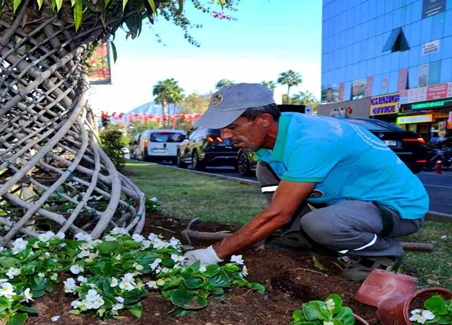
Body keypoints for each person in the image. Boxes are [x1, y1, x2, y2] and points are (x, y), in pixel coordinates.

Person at [183, 83, 429, 282]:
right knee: (266, 167)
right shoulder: (280, 129)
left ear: (264, 119)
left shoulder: (312, 141)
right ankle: (297, 235)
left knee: (320, 224)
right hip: (354, 202)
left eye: (232, 127)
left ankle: (384, 252)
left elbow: (277, 214)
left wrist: (213, 254)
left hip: (396, 209)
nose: (224, 136)